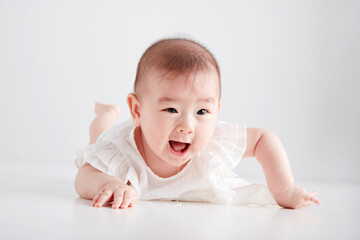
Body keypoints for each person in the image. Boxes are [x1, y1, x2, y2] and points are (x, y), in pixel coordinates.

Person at [74, 38, 320, 210]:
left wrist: (284, 189)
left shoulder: (213, 138)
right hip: (114, 139)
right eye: (172, 109)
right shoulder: (121, 151)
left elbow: (264, 139)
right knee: (100, 135)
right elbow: (84, 175)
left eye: (202, 111)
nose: (187, 126)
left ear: (217, 111)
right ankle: (107, 114)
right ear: (137, 110)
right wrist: (110, 183)